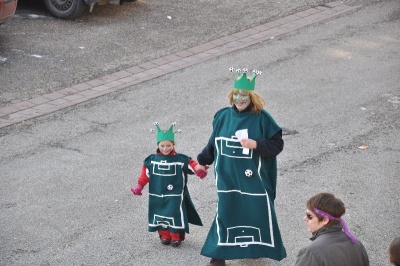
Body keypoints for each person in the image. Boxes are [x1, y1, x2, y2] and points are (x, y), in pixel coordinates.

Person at [196, 68, 286, 266]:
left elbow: (277, 145)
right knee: (226, 214)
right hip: (228, 178)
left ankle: (256, 247)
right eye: (236, 94)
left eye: (243, 95)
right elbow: (214, 143)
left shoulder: (263, 118)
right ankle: (218, 255)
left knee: (256, 214)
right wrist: (203, 161)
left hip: (255, 180)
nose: (239, 99)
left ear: (252, 97)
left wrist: (257, 144)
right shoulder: (222, 117)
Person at [131, 122, 207, 247]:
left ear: (173, 144)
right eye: (162, 146)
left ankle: (176, 237)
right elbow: (145, 175)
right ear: (157, 145)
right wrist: (139, 187)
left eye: (168, 145)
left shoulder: (181, 159)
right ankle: (164, 235)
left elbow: (193, 166)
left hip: (175, 195)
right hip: (156, 195)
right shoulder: (151, 160)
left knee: (174, 214)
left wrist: (200, 171)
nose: (165, 148)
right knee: (159, 214)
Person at [294, 192, 369, 266]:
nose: (305, 218)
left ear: (325, 220)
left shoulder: (311, 252)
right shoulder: (357, 245)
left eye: (309, 216)